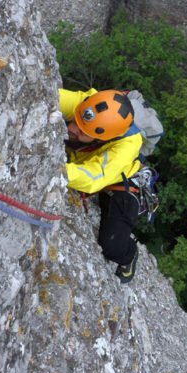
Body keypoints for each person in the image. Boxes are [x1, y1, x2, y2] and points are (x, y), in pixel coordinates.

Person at [60, 88, 142, 283]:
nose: (72, 128)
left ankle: (129, 254)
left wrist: (57, 170)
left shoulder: (126, 147)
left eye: (81, 131)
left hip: (120, 181)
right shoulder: (89, 106)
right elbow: (47, 92)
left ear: (103, 139)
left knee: (111, 246)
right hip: (91, 162)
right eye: (76, 120)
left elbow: (93, 177)